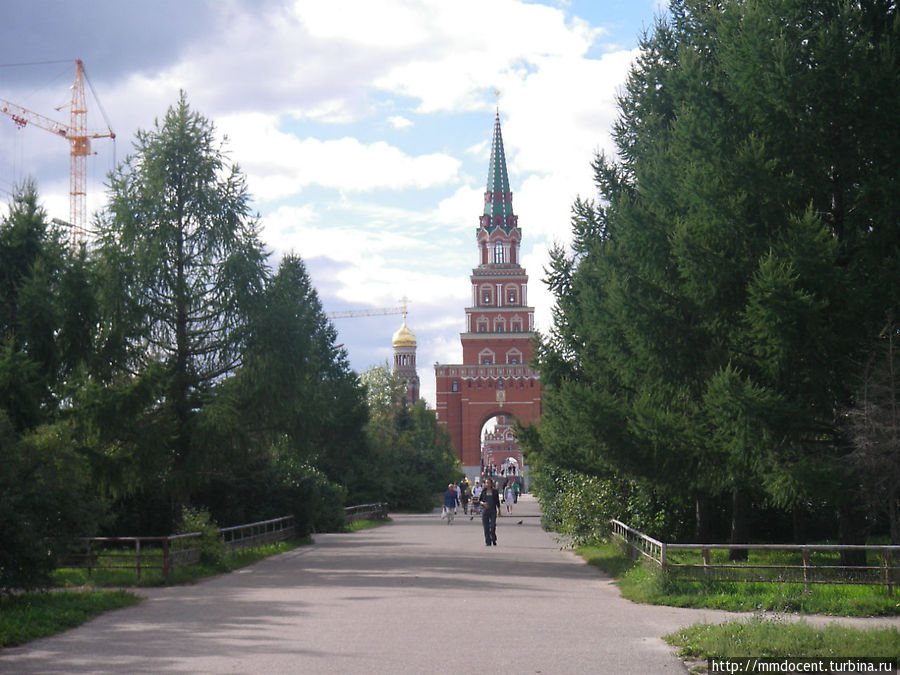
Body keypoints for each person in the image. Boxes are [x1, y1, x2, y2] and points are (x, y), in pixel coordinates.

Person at [478, 478, 501, 546]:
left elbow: (497, 501)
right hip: (485, 511)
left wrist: (499, 510)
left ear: (491, 484)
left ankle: (493, 538)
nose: (487, 484)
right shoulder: (484, 491)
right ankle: (488, 541)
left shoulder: (494, 491)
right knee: (486, 527)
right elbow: (480, 501)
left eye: (488, 483)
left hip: (493, 511)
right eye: (486, 483)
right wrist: (483, 504)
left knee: (493, 526)